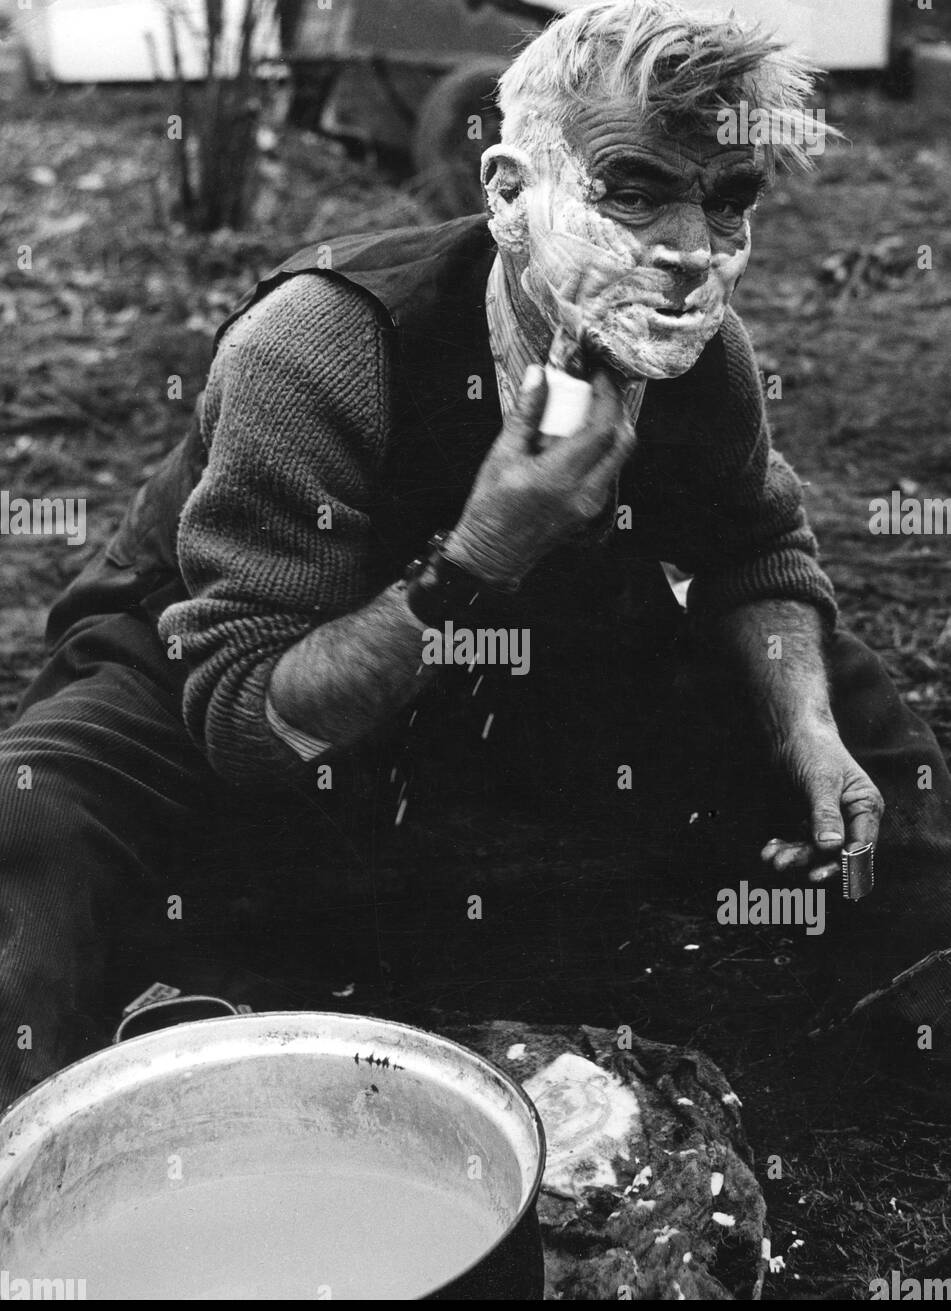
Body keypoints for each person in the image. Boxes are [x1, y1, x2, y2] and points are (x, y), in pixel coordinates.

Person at [2, 0, 949, 1111]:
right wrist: (485, 548)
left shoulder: (696, 351)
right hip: (210, 667)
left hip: (512, 672)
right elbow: (254, 723)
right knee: (36, 828)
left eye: (729, 201)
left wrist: (804, 733)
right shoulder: (317, 345)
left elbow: (759, 548)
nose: (691, 256)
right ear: (508, 193)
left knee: (863, 733)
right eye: (634, 191)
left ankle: (918, 1008)